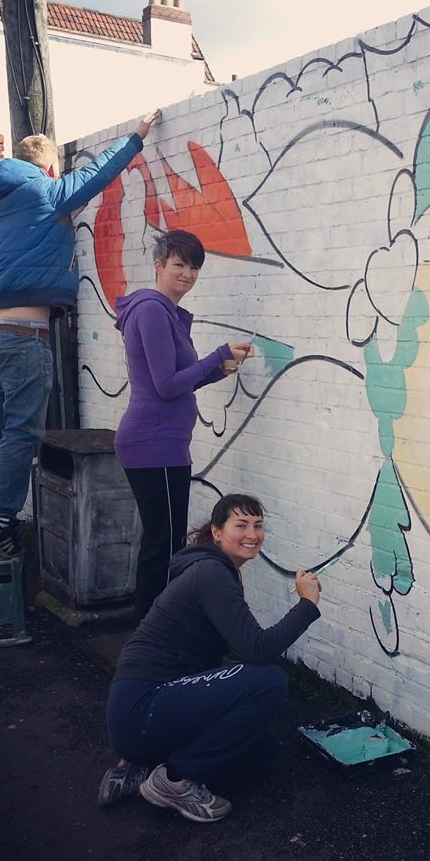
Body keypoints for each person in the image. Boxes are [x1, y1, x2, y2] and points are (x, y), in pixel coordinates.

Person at [0, 110, 161, 558]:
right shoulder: (46, 192)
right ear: (51, 167)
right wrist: (137, 135)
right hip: (24, 338)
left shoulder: (5, 199)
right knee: (22, 431)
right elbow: (97, 174)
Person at [97, 493, 322, 821]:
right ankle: (174, 778)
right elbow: (258, 649)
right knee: (269, 681)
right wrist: (307, 606)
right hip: (142, 708)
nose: (252, 534)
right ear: (217, 532)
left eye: (258, 526)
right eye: (240, 525)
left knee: (261, 746)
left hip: (149, 709)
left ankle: (140, 764)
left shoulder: (211, 569)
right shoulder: (211, 573)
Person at [113, 229, 252, 619]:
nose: (187, 273)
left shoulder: (163, 312)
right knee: (164, 547)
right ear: (159, 266)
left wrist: (221, 367)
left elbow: (182, 377)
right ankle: (152, 639)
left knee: (163, 543)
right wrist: (216, 355)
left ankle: (150, 635)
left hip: (163, 443)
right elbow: (166, 385)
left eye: (194, 267)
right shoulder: (153, 310)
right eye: (179, 264)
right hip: (153, 443)